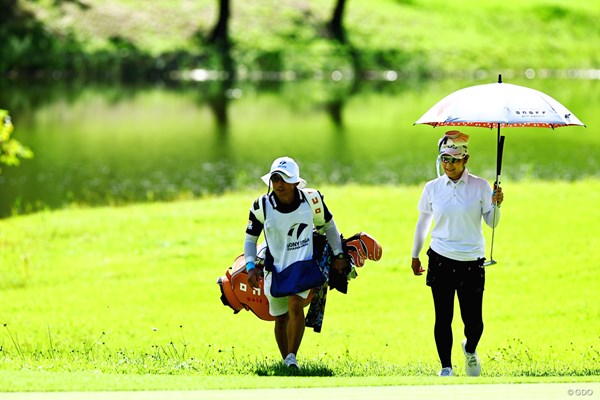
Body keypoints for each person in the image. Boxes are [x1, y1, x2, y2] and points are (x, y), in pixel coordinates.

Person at [410, 131, 504, 377]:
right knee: (443, 317)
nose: (448, 164)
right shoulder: (432, 188)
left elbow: (492, 223)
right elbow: (423, 222)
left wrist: (496, 204)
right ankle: (446, 368)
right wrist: (415, 254)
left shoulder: (481, 186)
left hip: (472, 261)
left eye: (454, 159)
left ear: (465, 159)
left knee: (474, 323)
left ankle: (470, 349)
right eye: (444, 159)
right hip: (440, 258)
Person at [243, 156, 348, 369]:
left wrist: (338, 254)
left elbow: (329, 226)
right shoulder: (261, 206)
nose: (279, 184)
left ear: (295, 182)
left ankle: (292, 356)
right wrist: (251, 266)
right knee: (280, 318)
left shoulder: (312, 201)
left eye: (284, 179)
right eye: (275, 179)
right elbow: (250, 239)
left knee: (295, 304)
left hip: (303, 263)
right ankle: (287, 362)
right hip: (275, 266)